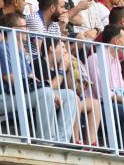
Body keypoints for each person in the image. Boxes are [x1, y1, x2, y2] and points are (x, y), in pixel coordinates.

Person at [0, 14, 78, 143]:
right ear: (12, 29)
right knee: (45, 93)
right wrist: (45, 89)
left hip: (23, 94)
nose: (28, 30)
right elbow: (11, 79)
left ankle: (62, 139)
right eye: (24, 26)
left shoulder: (18, 51)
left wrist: (49, 90)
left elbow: (32, 78)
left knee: (69, 95)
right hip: (6, 97)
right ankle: (47, 141)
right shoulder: (3, 48)